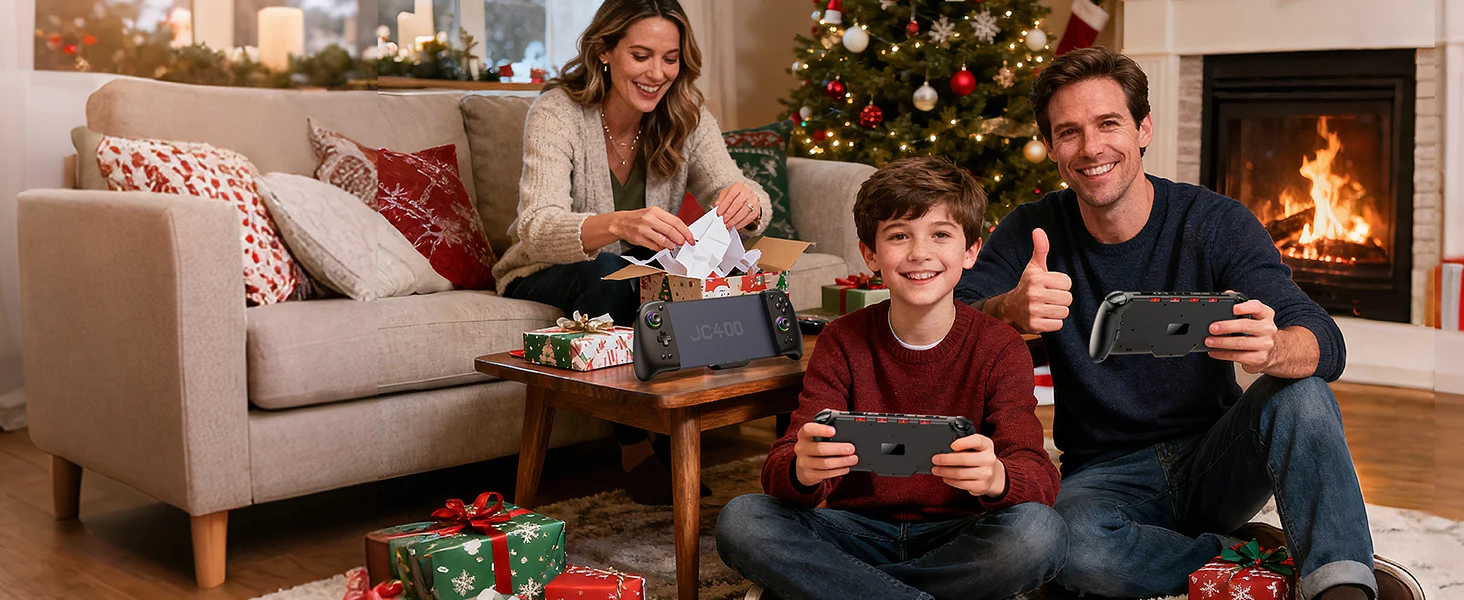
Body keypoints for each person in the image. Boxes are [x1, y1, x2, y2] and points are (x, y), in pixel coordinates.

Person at [955, 46, 1419, 600]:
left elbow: (1325, 341)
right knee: (1067, 546)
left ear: (1143, 127)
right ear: (1052, 146)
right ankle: (1256, 563)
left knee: (1302, 394)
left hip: (1214, 457)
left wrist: (1274, 349)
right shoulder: (1033, 231)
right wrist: (1008, 311)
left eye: (1109, 124)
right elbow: (946, 329)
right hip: (1104, 475)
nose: (1092, 147)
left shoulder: (1214, 222)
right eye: (1070, 132)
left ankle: (1341, 584)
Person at [716, 157, 1066, 600]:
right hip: (856, 534)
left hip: (958, 535)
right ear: (870, 253)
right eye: (899, 235)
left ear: (971, 250)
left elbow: (1037, 475)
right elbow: (782, 470)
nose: (920, 253)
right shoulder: (841, 340)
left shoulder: (1000, 345)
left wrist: (997, 476)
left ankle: (840, 591)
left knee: (1040, 533)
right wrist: (802, 470)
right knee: (743, 519)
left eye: (941, 234)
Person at [491, 0, 772, 506]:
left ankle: (679, 429)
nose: (657, 73)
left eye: (670, 59)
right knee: (614, 271)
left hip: (637, 271)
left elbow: (736, 186)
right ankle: (638, 444)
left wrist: (748, 202)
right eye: (641, 55)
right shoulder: (557, 112)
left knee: (666, 280)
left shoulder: (687, 113)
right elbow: (535, 228)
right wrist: (619, 223)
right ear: (605, 50)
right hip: (545, 268)